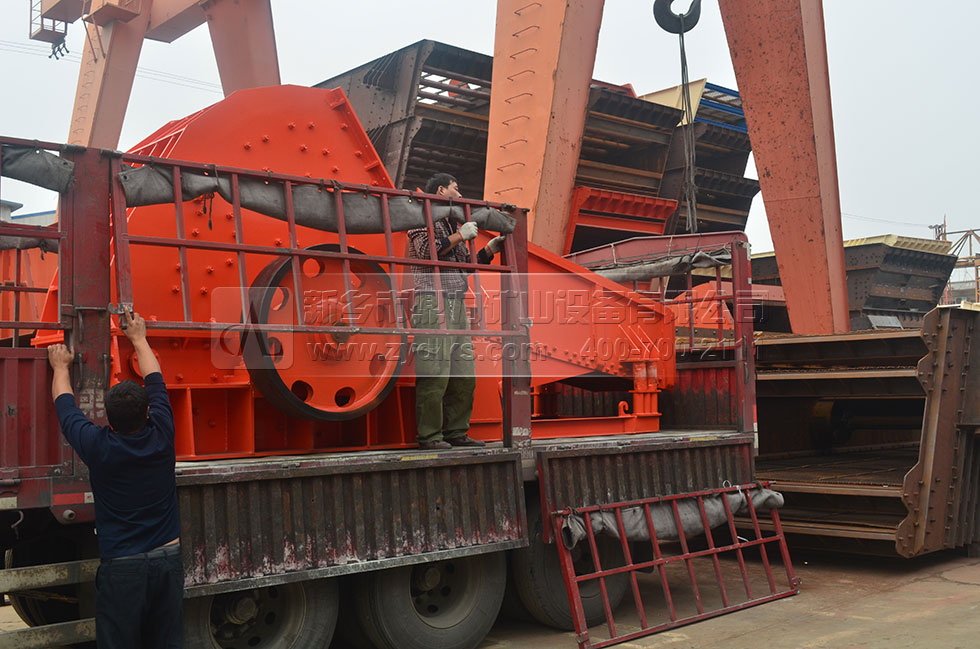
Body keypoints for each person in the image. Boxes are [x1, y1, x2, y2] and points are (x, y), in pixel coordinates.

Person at [47, 310, 182, 649]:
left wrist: (60, 367)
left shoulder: (98, 446)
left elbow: (66, 409)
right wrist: (138, 337)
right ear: (148, 412)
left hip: (123, 568)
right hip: (168, 561)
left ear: (107, 417)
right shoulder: (163, 434)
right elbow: (155, 380)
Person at [408, 173, 506, 450]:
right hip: (432, 300)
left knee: (463, 373)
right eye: (456, 188)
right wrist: (460, 235)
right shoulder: (421, 217)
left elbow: (465, 264)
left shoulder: (452, 224)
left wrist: (489, 250)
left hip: (456, 302)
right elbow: (426, 251)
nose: (460, 195)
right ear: (441, 190)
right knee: (434, 371)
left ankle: (456, 432)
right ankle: (430, 436)